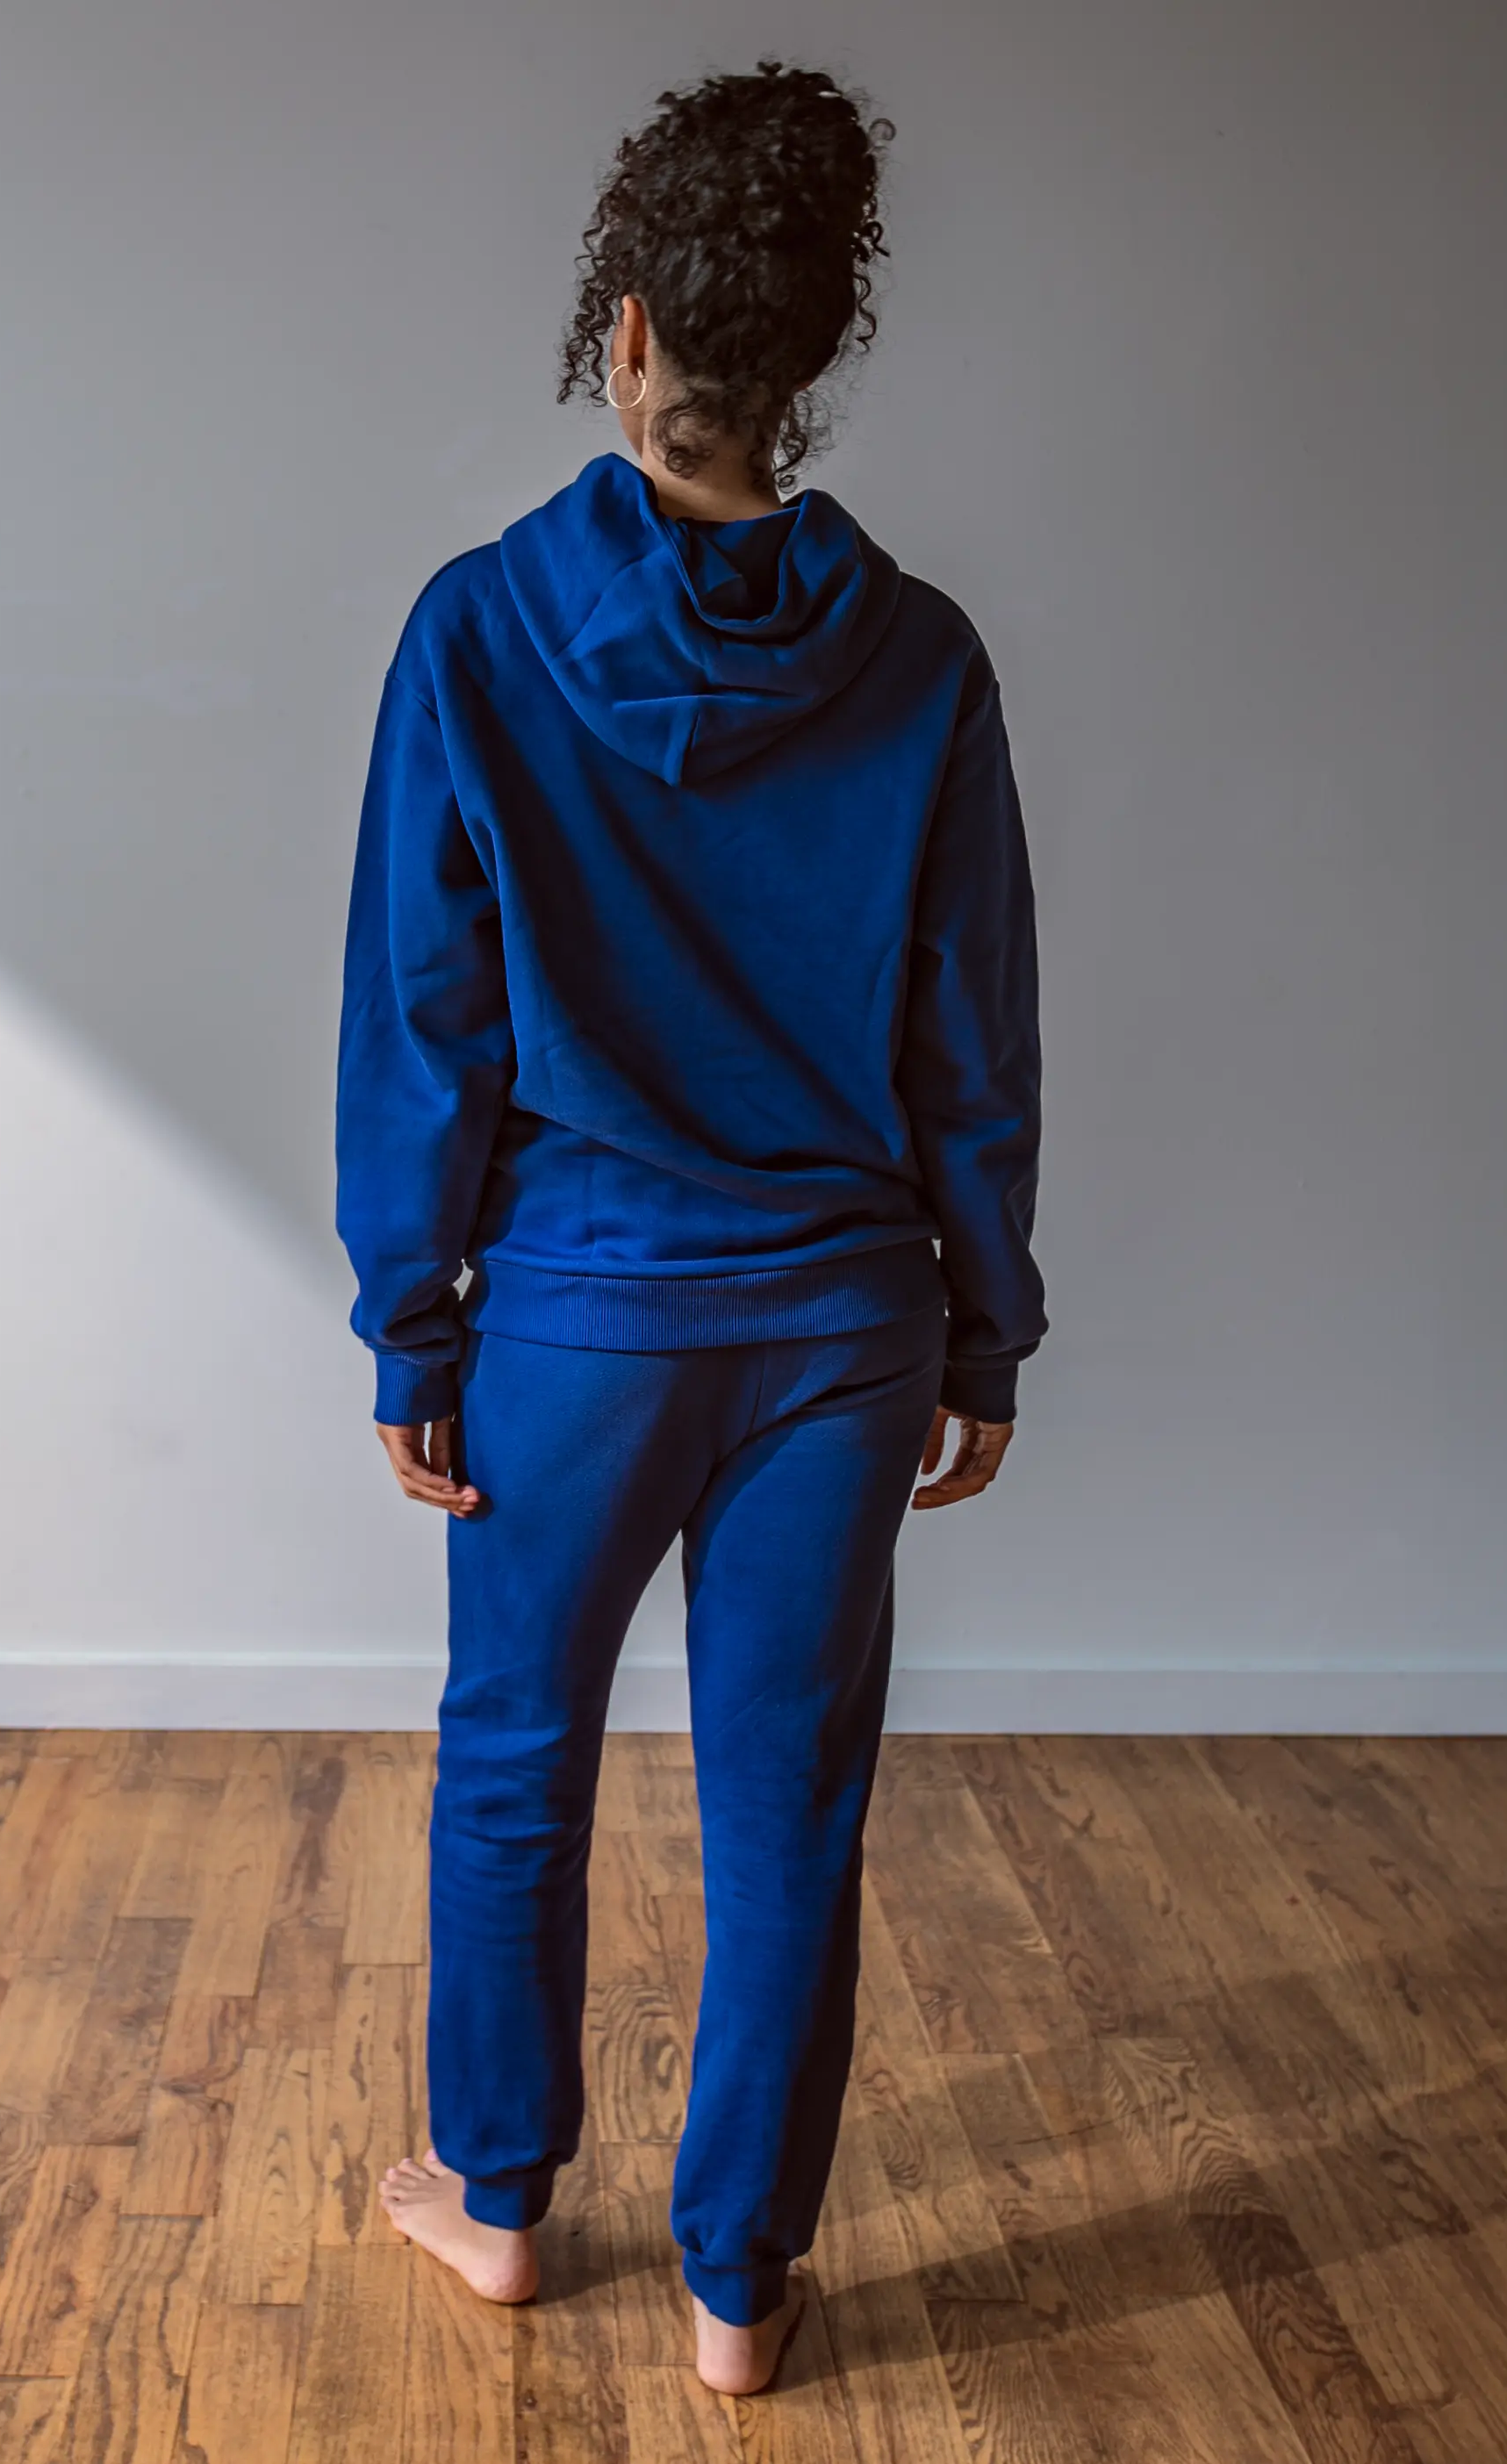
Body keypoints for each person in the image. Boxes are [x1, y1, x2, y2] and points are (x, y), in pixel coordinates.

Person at [334, 59, 1045, 2398]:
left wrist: (410, 1325)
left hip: (574, 1320)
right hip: (842, 1329)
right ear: (810, 353)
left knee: (517, 1750)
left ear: (624, 330)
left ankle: (502, 2202)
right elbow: (971, 1035)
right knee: (790, 1804)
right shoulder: (922, 659)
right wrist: (988, 1325)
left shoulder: (472, 634)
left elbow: (425, 1026)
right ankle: (744, 2290)